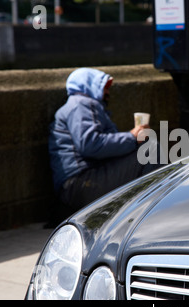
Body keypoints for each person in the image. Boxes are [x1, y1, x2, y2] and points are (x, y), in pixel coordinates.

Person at [48, 67, 159, 211]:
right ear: (89, 85)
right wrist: (132, 137)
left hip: (77, 185)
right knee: (150, 149)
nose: (107, 92)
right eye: (105, 87)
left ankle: (145, 206)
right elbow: (90, 144)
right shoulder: (81, 103)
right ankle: (155, 208)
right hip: (80, 184)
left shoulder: (82, 105)